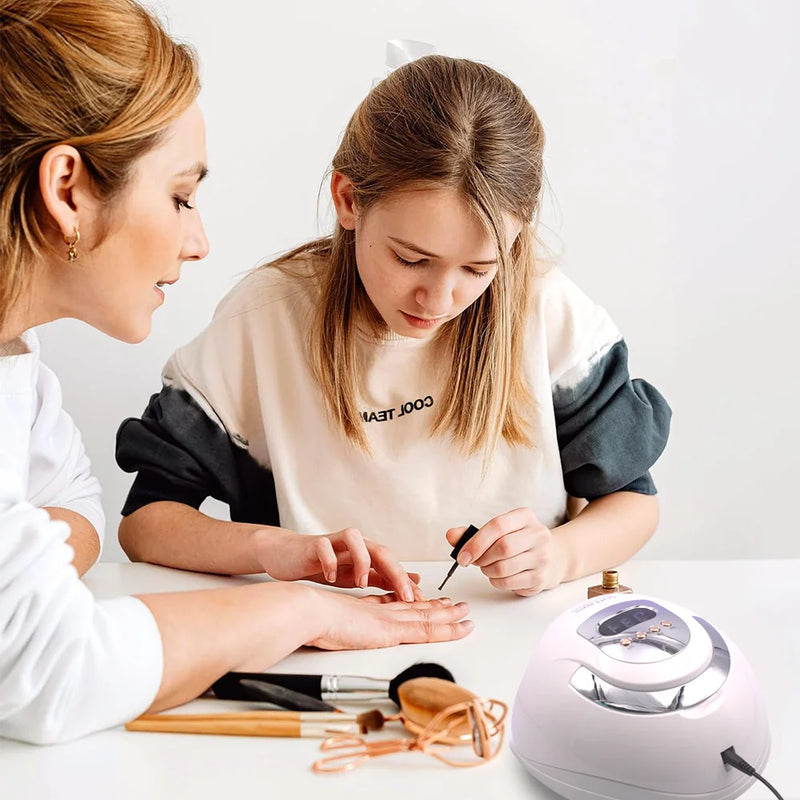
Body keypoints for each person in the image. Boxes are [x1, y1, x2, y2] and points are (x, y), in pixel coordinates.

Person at [0, 0, 472, 745]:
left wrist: (29, 559)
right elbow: (50, 674)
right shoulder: (260, 319)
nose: (199, 240)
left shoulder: (16, 356)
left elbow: (74, 501)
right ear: (67, 191)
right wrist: (301, 610)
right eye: (181, 196)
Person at [116, 54, 672, 598]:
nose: (440, 299)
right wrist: (271, 548)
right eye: (410, 259)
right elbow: (147, 522)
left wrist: (559, 557)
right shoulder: (264, 320)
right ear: (348, 199)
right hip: (314, 644)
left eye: (480, 268)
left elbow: (633, 501)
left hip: (518, 642)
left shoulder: (547, 310)